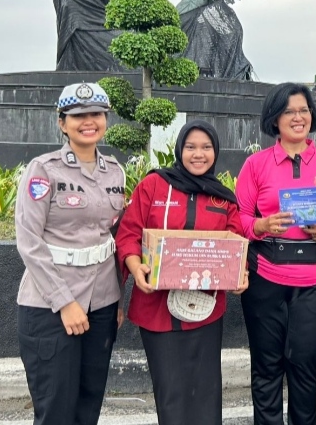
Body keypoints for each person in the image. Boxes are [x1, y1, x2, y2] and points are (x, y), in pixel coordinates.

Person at [115, 120, 247, 424]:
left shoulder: (223, 198)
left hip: (205, 310)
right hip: (156, 310)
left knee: (205, 391)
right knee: (171, 391)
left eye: (206, 147)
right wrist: (136, 268)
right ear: (179, 149)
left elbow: (236, 243)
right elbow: (128, 234)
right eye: (190, 147)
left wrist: (242, 275)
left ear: (215, 152)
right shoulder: (154, 185)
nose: (197, 154)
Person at [236, 82, 316, 425]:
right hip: (265, 275)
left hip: (314, 279)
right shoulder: (255, 165)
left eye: (303, 110)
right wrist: (262, 225)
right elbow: (238, 218)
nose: (298, 117)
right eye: (288, 111)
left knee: (304, 364)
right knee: (267, 366)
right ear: (274, 118)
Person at [15, 82, 125, 425]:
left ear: (105, 119)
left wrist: (120, 301)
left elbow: (114, 236)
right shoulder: (44, 170)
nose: (87, 121)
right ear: (62, 123)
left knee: (88, 405)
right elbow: (29, 241)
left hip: (103, 303)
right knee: (56, 410)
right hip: (51, 305)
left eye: (95, 114)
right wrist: (64, 303)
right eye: (77, 116)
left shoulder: (115, 172)